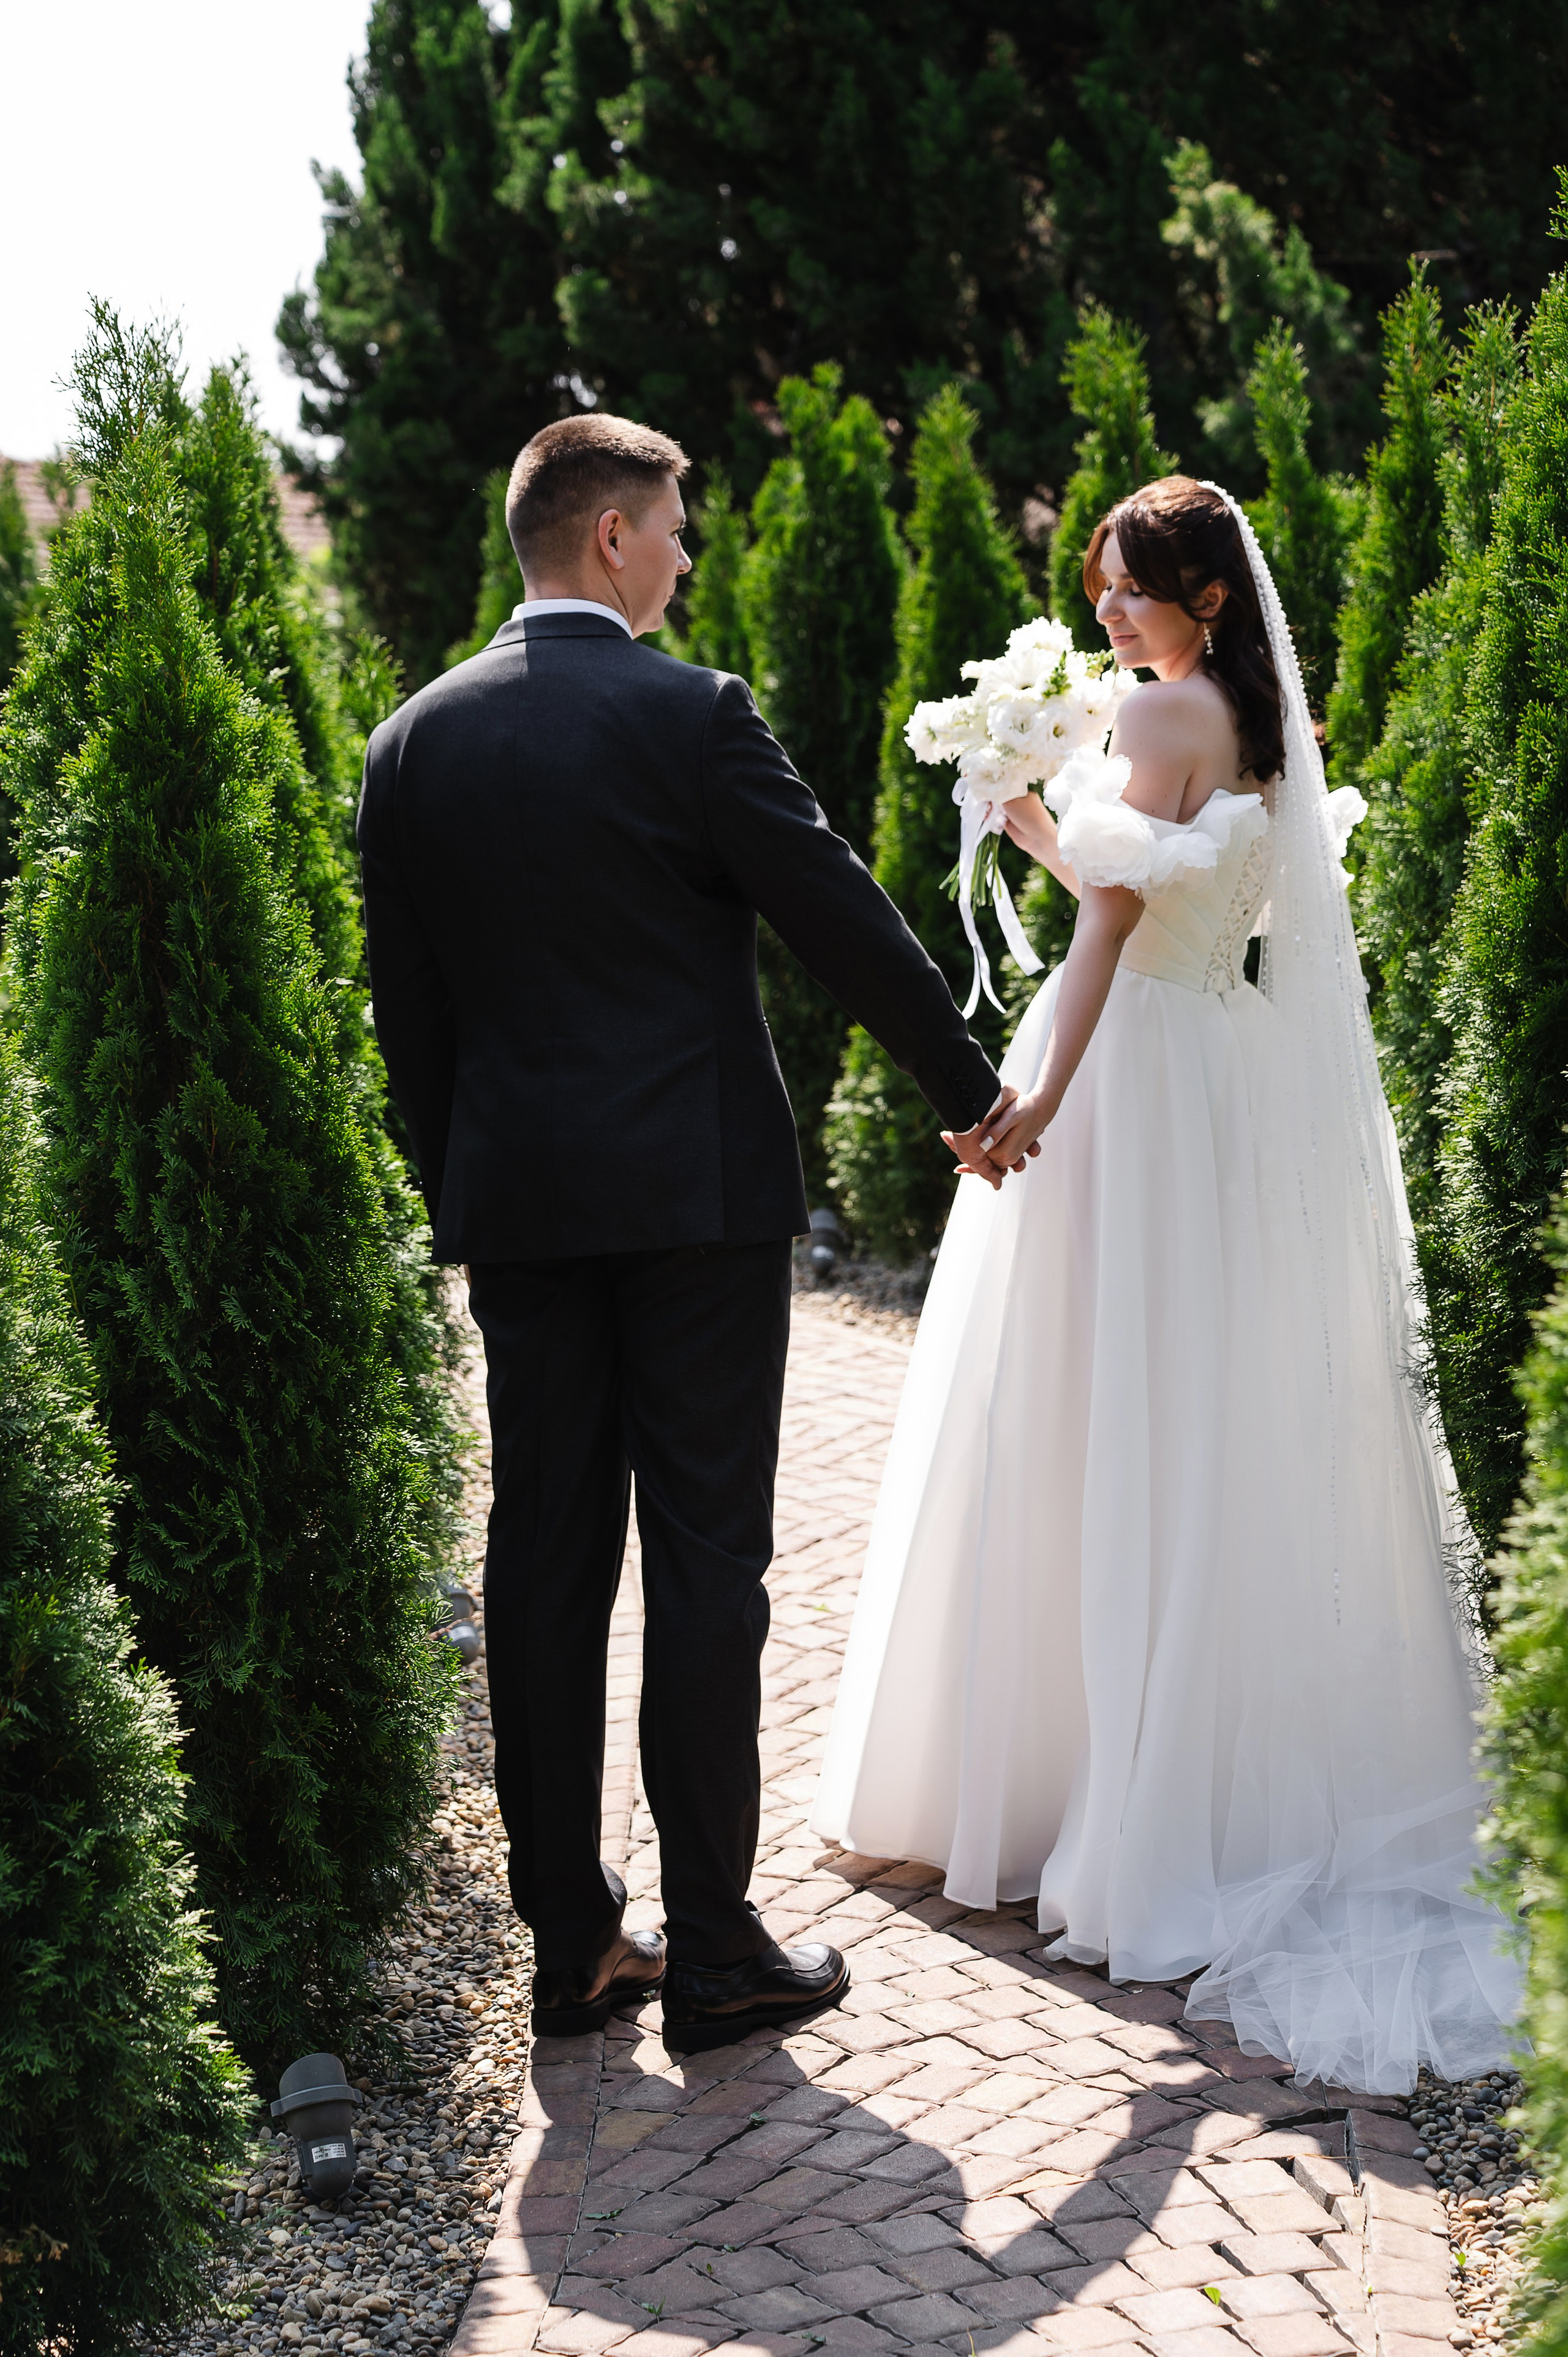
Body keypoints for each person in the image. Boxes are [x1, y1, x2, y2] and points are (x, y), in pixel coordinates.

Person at [812, 475, 1520, 2094]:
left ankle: (1067, 1790)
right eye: (1106, 588)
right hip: (1208, 1088)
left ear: (1205, 597)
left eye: (1132, 589)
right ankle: (1162, 1768)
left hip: (1128, 1084)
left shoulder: (1167, 712)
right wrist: (1046, 810)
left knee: (1071, 1408)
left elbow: (1102, 938)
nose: (1113, 614)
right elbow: (1168, 910)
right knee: (1173, 1412)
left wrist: (1030, 1092)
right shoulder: (1246, 717)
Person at [358, 413, 1020, 2052]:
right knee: (709, 1560)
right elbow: (840, 916)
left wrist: (470, 1189)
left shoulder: (412, 744)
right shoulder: (689, 714)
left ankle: (572, 1944)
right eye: (673, 529)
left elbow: (410, 1018)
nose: (685, 557)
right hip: (699, 1203)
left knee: (543, 1557)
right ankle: (718, 1948)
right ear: (607, 540)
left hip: (524, 1210)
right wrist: (968, 1089)